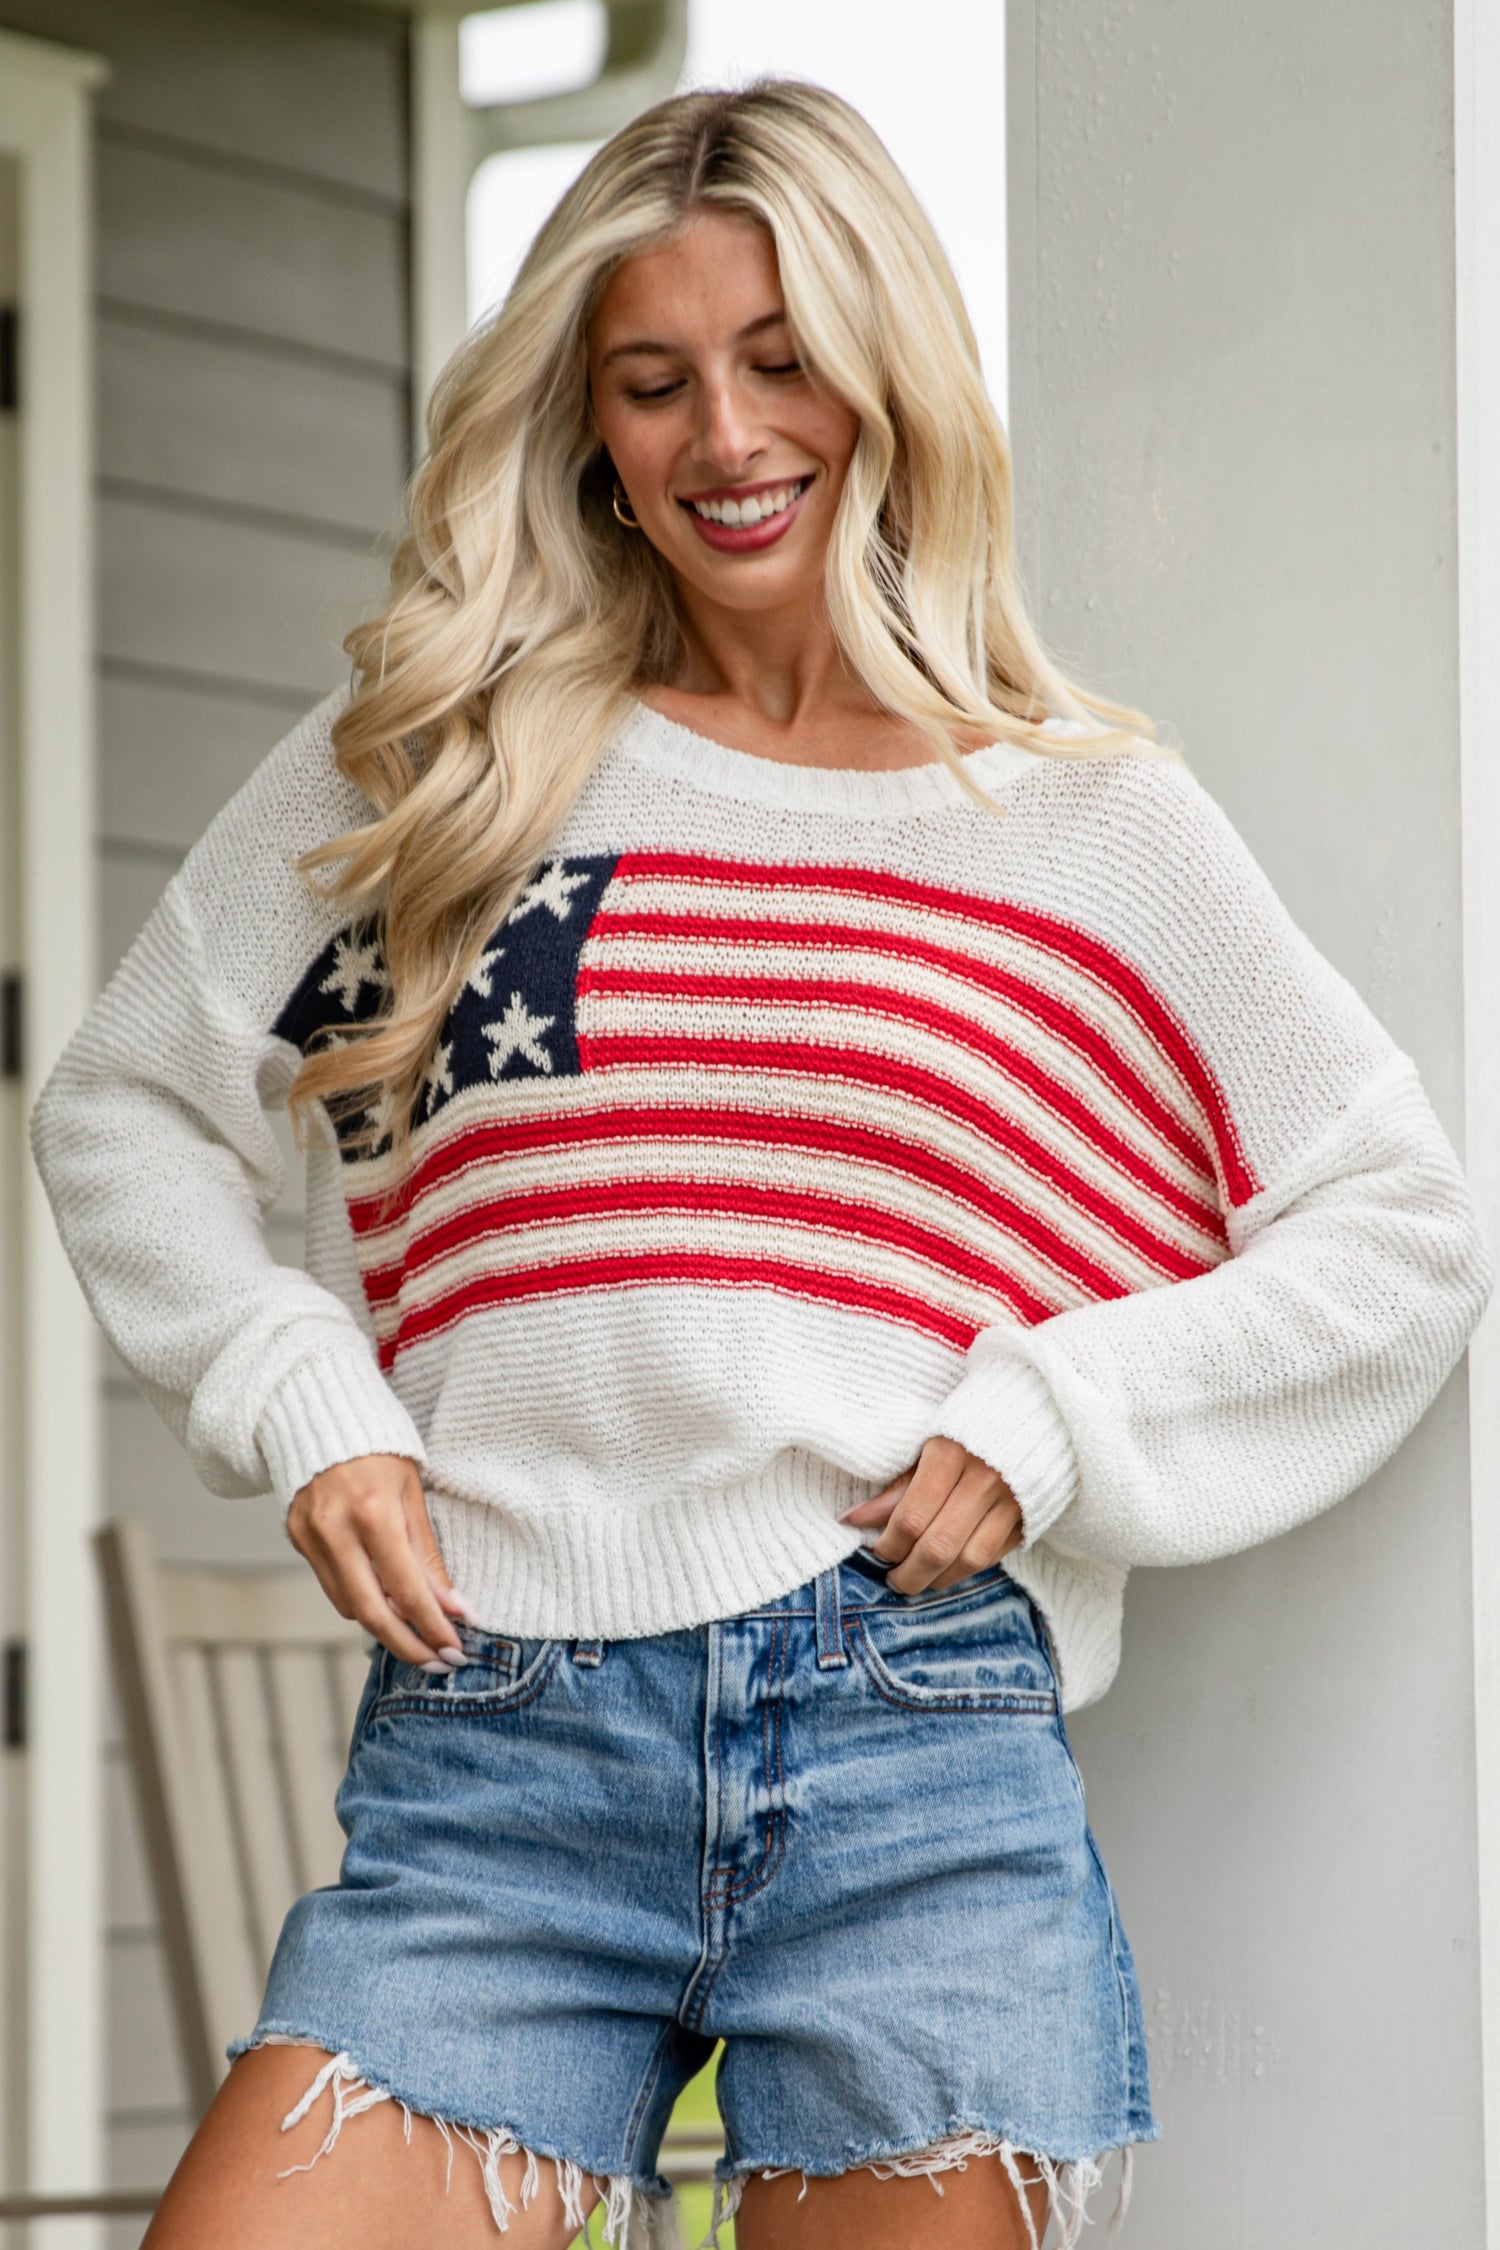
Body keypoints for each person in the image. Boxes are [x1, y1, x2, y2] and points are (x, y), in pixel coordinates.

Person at [32, 77, 1489, 2250]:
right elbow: (124, 1100)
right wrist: (300, 1398)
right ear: (589, 425)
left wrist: (1051, 1420)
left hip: (909, 1734)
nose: (727, 435)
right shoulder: (445, 757)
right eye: (655, 379)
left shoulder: (1080, 818)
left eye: (784, 357)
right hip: (499, 1741)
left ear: (885, 372)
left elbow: (1397, 1228)